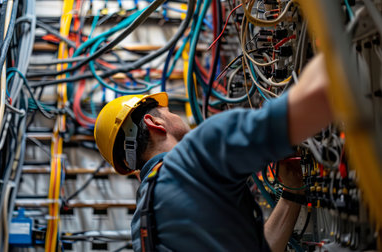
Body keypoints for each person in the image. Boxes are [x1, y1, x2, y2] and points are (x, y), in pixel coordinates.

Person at [94, 54, 332, 251]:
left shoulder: (142, 224)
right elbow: (315, 100)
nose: (176, 114)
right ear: (153, 122)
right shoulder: (198, 155)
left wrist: (291, 196)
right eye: (168, 110)